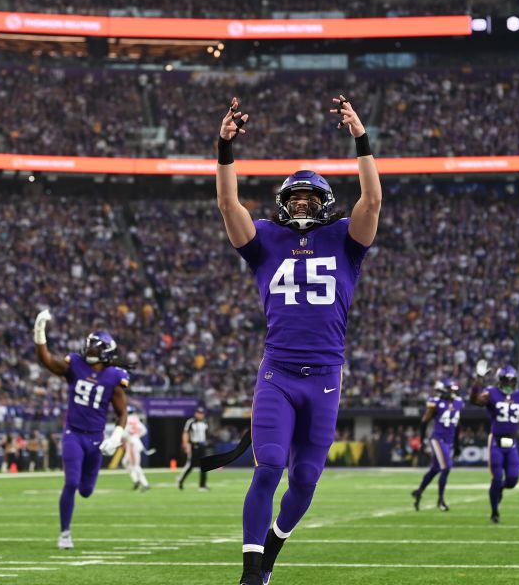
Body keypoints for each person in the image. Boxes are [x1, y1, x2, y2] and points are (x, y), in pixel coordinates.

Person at [216, 94, 381, 585]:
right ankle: (250, 575)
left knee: (305, 480)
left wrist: (361, 139)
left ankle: (272, 550)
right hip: (279, 374)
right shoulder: (265, 238)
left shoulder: (346, 242)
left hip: (326, 376)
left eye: (312, 199)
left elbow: (371, 200)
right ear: (283, 205)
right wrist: (224, 147)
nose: (304, 206)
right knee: (267, 466)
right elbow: (228, 202)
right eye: (296, 199)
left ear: (326, 205)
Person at [33, 310, 130, 550]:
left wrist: (116, 436)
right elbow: (46, 359)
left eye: (95, 348)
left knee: (86, 490)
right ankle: (65, 533)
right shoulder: (75, 366)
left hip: (96, 438)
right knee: (71, 482)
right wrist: (39, 330)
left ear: (105, 352)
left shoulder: (114, 377)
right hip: (73, 434)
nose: (89, 350)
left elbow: (122, 413)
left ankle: (67, 527)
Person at [469, 362, 519, 523]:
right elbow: (474, 400)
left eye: (511, 380)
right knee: (497, 476)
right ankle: (494, 512)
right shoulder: (491, 393)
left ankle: (499, 489)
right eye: (506, 380)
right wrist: (478, 379)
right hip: (496, 441)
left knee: (512, 480)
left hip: (511, 442)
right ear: (499, 380)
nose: (509, 384)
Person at [411, 379, 462, 512]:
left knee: (435, 469)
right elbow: (424, 422)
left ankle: (419, 492)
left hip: (449, 440)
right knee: (446, 467)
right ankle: (440, 500)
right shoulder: (436, 403)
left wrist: (457, 445)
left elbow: (457, 425)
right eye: (451, 390)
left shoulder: (458, 402)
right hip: (438, 439)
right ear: (444, 390)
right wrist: (421, 441)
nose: (453, 392)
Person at [178, 406, 211, 491]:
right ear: (195, 413)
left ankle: (202, 485)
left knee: (205, 466)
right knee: (191, 465)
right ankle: (180, 480)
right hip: (194, 445)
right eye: (199, 413)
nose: (200, 415)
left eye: (202, 413)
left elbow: (206, 434)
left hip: (202, 445)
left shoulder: (205, 422)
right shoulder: (191, 422)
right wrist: (185, 444)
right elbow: (185, 433)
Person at [125, 406, 150, 491]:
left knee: (135, 465)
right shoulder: (136, 419)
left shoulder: (126, 420)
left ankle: (145, 483)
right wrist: (137, 436)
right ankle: (136, 480)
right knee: (125, 462)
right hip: (135, 442)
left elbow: (124, 433)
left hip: (132, 444)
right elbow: (144, 430)